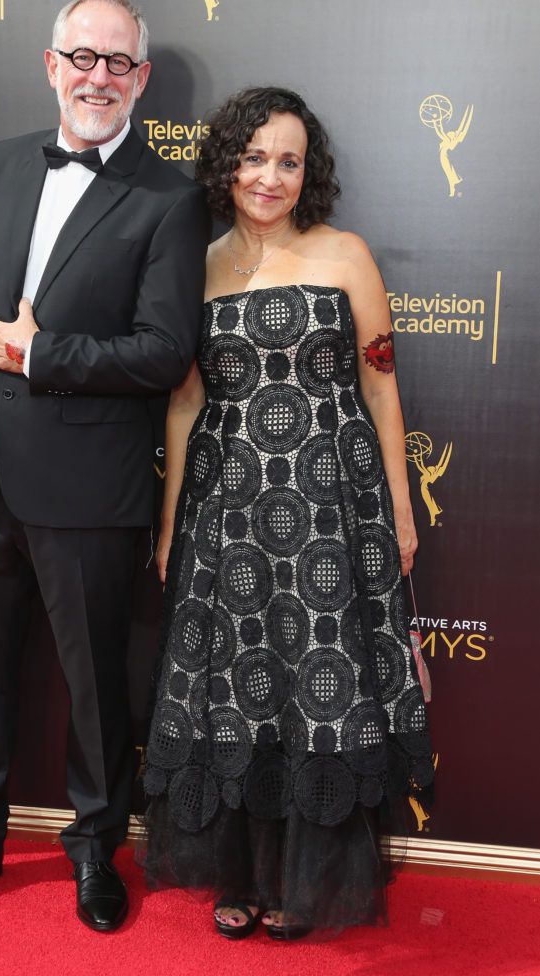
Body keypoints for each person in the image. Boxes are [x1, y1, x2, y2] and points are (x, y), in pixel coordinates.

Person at [0, 0, 210, 931]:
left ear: (142, 81)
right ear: (52, 65)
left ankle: (94, 850)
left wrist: (42, 355)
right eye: (83, 57)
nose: (98, 77)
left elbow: (164, 353)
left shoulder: (169, 197)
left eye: (118, 63)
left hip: (90, 489)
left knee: (94, 694)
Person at [142, 87, 433, 939]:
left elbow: (380, 388)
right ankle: (242, 869)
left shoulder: (345, 255)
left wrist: (400, 510)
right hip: (228, 509)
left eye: (288, 160)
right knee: (240, 683)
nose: (268, 176)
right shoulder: (192, 267)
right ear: (225, 162)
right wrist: (169, 528)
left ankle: (305, 880)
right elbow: (181, 408)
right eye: (253, 155)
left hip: (330, 512)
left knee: (320, 681)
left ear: (309, 174)